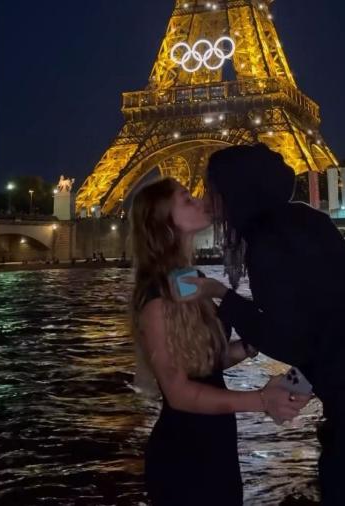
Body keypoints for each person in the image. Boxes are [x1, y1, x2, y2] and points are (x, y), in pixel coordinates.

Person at [190, 144, 345, 505]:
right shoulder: (308, 220)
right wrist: (306, 375)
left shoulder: (265, 242)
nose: (209, 197)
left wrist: (223, 295)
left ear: (236, 189)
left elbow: (292, 339)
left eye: (214, 188)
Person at [128, 177, 309, 505]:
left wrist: (254, 343)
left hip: (217, 442)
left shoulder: (190, 279)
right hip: (184, 453)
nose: (199, 200)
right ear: (164, 223)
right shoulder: (156, 296)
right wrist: (262, 400)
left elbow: (209, 361)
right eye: (186, 199)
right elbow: (179, 393)